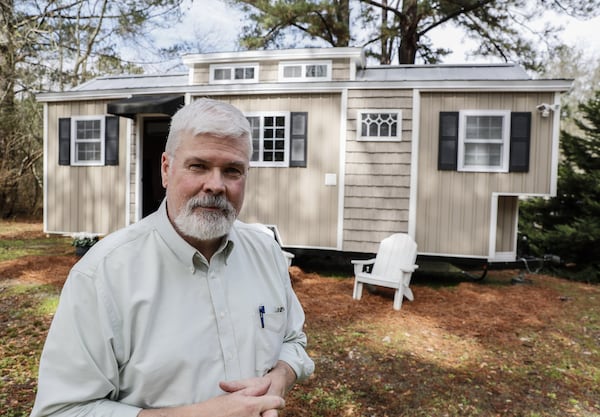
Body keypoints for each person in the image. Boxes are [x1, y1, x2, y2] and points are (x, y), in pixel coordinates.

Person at [30, 98, 315, 417]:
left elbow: (293, 340)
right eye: (199, 166)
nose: (216, 185)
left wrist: (280, 377)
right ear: (166, 169)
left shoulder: (266, 253)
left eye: (232, 171)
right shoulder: (103, 275)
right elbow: (61, 410)